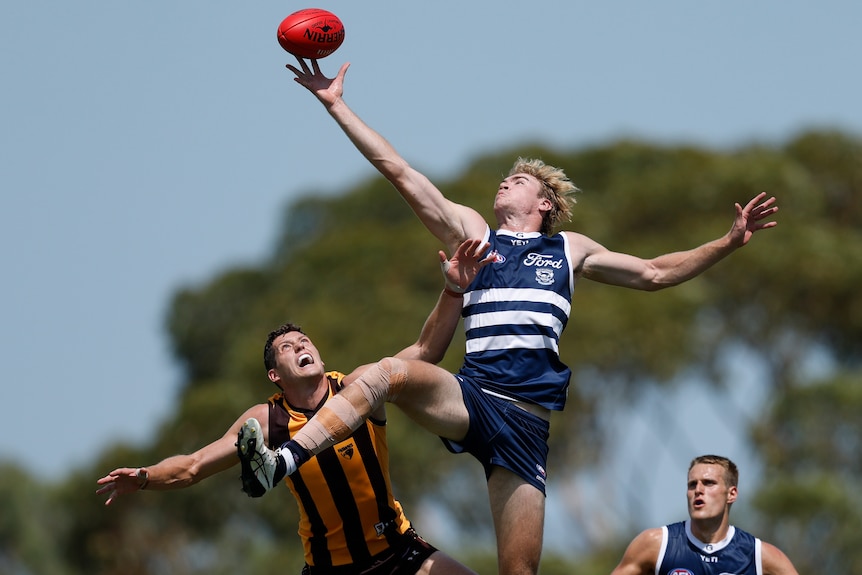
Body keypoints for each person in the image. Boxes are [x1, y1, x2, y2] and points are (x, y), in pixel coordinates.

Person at [241, 58, 780, 575]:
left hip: (527, 424)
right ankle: (283, 460)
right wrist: (336, 105)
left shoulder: (570, 248)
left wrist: (729, 242)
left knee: (519, 571)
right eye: (505, 177)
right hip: (473, 397)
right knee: (388, 372)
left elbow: (657, 272)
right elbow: (400, 172)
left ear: (545, 203)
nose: (505, 182)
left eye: (519, 181)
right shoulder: (475, 235)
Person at [96, 240, 490, 575]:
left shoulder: (358, 387)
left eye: (304, 341)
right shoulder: (266, 421)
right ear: (274, 376)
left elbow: (424, 352)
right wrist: (145, 477)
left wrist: (453, 291)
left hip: (399, 554)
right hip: (330, 568)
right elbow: (194, 466)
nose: (301, 346)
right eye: (288, 348)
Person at [609, 455, 799, 575]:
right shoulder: (656, 544)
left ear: (731, 494)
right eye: (692, 484)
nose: (698, 490)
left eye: (708, 483)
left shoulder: (759, 555)